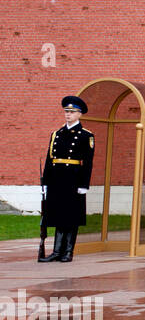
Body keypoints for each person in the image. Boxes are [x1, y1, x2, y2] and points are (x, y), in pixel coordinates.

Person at [39, 95, 94, 263]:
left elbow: (88, 163)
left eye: (72, 112)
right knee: (57, 215)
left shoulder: (86, 135)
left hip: (73, 179)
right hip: (57, 179)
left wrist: (84, 184)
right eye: (66, 112)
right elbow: (50, 160)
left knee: (71, 216)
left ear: (80, 114)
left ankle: (68, 252)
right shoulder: (56, 134)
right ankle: (56, 251)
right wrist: (45, 182)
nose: (68, 114)